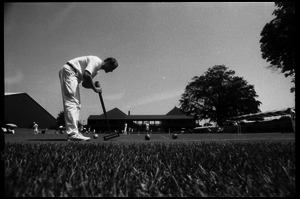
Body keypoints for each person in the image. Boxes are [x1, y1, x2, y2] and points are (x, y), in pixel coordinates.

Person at [59, 55, 118, 141]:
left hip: (73, 75)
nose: (112, 71)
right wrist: (94, 88)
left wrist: (94, 86)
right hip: (70, 71)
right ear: (108, 63)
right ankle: (72, 134)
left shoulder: (96, 71)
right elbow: (86, 75)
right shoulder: (96, 61)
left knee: (77, 105)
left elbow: (85, 84)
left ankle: (74, 132)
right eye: (112, 68)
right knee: (72, 103)